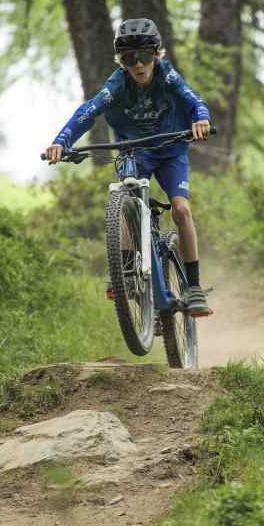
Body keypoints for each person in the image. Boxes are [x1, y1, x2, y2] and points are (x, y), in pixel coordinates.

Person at [45, 17, 213, 318]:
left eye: (145, 56)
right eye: (129, 58)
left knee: (181, 209)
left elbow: (194, 101)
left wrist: (200, 118)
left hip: (171, 149)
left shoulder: (167, 75)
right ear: (121, 61)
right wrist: (61, 140)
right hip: (135, 151)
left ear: (157, 55)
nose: (138, 65)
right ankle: (124, 272)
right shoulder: (117, 85)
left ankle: (194, 286)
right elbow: (87, 112)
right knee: (127, 198)